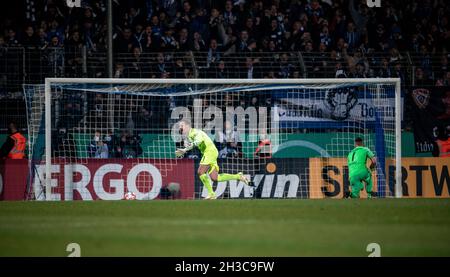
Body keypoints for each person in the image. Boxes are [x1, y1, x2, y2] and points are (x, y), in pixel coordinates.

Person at [175, 119, 250, 200]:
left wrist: (185, 149)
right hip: (210, 152)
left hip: (209, 152)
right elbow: (194, 144)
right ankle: (238, 176)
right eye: (179, 126)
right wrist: (185, 149)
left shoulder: (195, 132)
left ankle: (211, 194)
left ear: (187, 126)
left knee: (200, 172)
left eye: (181, 126)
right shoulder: (189, 136)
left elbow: (198, 141)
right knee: (215, 177)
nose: (180, 128)